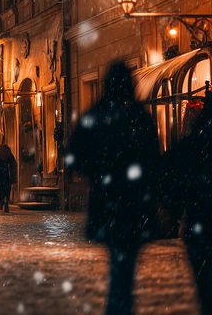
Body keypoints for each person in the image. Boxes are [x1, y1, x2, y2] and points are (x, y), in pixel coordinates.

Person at [66, 61, 160, 315]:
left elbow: (73, 156)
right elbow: (154, 159)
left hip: (107, 200)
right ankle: (121, 305)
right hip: (134, 201)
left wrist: (98, 173)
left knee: (119, 261)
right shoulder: (138, 115)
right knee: (125, 262)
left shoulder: (96, 115)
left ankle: (118, 305)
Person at [165, 84, 212, 314]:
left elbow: (168, 177)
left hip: (198, 223)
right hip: (199, 222)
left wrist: (172, 212)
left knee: (204, 282)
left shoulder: (190, 145)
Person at [0, 141, 17, 213]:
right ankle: (7, 201)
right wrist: (13, 175)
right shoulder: (9, 154)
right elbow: (13, 163)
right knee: (7, 189)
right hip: (7, 174)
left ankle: (2, 201)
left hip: (0, 174)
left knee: (1, 189)